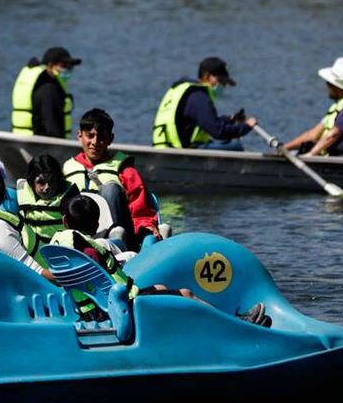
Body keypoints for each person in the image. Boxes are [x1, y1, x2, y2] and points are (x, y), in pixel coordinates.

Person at [51, 195, 270, 326]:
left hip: (83, 308)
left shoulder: (56, 246)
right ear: (96, 224)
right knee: (186, 294)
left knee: (161, 288)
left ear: (65, 221)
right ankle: (236, 324)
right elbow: (121, 287)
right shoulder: (94, 249)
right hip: (111, 310)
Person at [64, 108, 157, 250]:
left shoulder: (125, 170)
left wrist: (147, 226)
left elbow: (141, 208)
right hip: (77, 237)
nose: (95, 142)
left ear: (110, 139)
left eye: (101, 137)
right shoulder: (68, 168)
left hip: (119, 239)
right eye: (90, 136)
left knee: (110, 189)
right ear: (80, 136)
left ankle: (116, 244)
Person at [152, 56, 257, 151]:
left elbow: (206, 122)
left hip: (165, 147)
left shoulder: (187, 92)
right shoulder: (199, 96)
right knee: (236, 146)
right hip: (183, 150)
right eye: (220, 80)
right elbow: (217, 131)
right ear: (207, 76)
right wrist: (246, 127)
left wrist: (231, 119)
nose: (223, 85)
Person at [278, 57, 343, 154]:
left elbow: (325, 135)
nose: (327, 86)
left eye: (328, 83)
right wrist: (285, 147)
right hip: (325, 154)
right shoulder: (339, 105)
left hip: (333, 158)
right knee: (292, 153)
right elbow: (314, 134)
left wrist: (310, 154)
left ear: (336, 87)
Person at [10, 46, 80, 139]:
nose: (68, 70)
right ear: (50, 66)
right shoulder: (50, 90)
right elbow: (53, 126)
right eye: (64, 66)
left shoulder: (38, 85)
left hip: (25, 140)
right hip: (44, 144)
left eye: (70, 67)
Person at [16, 153, 80, 241]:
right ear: (31, 181)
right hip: (28, 247)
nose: (47, 187)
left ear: (58, 179)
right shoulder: (19, 192)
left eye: (51, 181)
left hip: (60, 246)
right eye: (41, 182)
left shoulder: (70, 196)